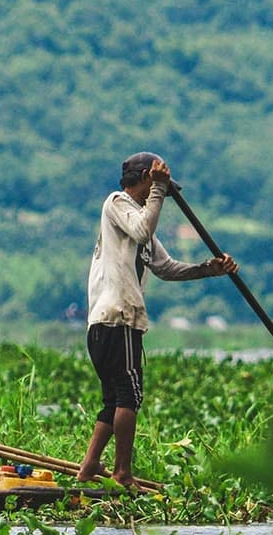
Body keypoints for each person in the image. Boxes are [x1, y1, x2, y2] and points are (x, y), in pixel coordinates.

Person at [76, 152, 237, 487]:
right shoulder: (117, 203)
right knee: (129, 396)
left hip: (116, 320)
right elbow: (141, 228)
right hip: (116, 318)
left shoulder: (139, 221)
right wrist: (159, 190)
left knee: (114, 398)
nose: (159, 192)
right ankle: (122, 473)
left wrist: (208, 270)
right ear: (145, 178)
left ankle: (89, 466)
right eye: (156, 184)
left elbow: (165, 268)